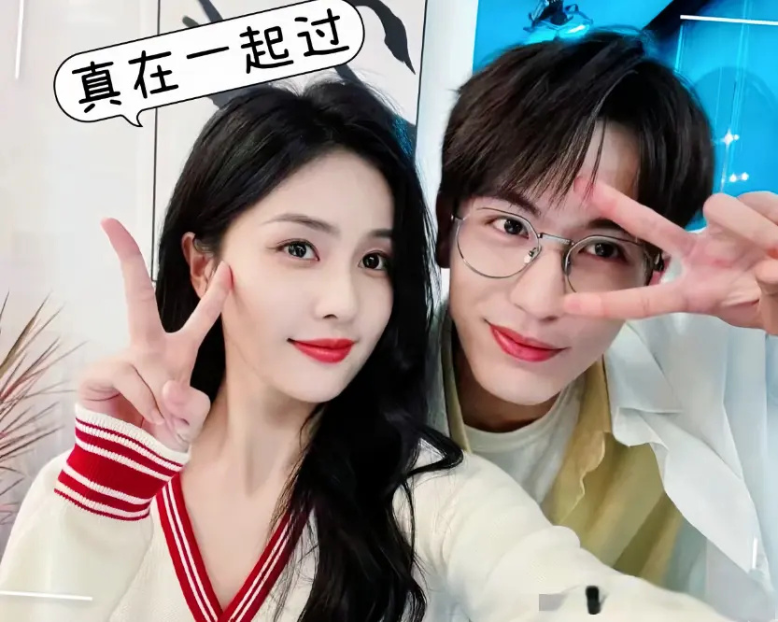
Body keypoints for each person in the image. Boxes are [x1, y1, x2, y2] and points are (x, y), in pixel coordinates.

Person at [0, 80, 732, 622]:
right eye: (298, 248)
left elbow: (567, 596)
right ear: (202, 263)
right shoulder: (93, 480)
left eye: (375, 261)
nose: (344, 301)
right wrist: (106, 496)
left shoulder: (430, 494)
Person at [428, 29, 778, 622]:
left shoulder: (711, 361)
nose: (540, 300)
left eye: (603, 249)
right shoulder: (340, 403)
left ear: (654, 271)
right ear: (446, 228)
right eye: (510, 226)